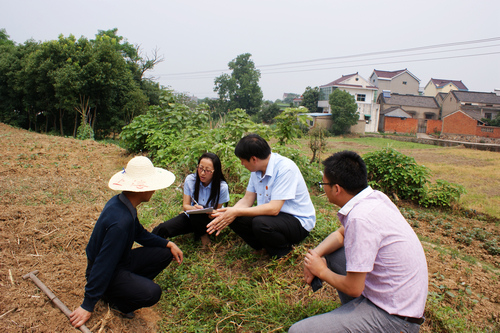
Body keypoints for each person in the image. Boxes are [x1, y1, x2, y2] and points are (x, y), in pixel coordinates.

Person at [289, 150, 428, 333]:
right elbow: (341, 235)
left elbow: (354, 288)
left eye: (324, 184)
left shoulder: (360, 219)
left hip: (395, 320)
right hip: (395, 301)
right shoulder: (375, 198)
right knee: (334, 252)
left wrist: (320, 270)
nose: (322, 188)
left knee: (298, 332)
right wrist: (315, 255)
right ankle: (355, 316)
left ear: (336, 189)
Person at [69, 156, 183, 329]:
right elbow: (103, 263)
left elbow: (140, 234)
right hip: (107, 270)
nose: (154, 191)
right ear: (142, 189)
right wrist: (87, 304)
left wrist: (168, 244)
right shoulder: (120, 223)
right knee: (153, 292)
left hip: (120, 261)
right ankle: (118, 300)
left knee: (164, 253)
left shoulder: (122, 204)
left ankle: (127, 288)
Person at [207, 134, 315, 258]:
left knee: (260, 223)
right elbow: (247, 199)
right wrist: (229, 213)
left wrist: (236, 211)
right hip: (273, 219)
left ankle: (283, 252)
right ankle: (264, 246)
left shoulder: (285, 169)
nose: (242, 164)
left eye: (242, 160)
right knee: (235, 217)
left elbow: (274, 209)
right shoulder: (256, 171)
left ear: (254, 159)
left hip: (297, 221)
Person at [152, 152, 230, 247]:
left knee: (197, 215)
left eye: (207, 170)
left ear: (215, 171)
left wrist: (210, 213)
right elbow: (186, 206)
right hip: (191, 217)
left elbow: (218, 213)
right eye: (200, 168)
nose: (202, 173)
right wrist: (195, 209)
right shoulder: (191, 180)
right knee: (163, 228)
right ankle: (149, 241)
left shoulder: (222, 187)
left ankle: (203, 235)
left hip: (209, 221)